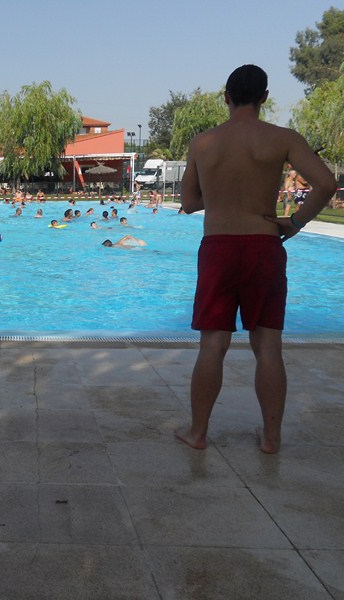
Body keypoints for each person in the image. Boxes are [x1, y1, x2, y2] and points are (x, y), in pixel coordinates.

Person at [175, 64, 336, 454]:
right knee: (268, 346)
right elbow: (327, 183)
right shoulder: (282, 138)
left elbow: (189, 202)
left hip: (218, 248)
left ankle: (198, 433)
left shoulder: (203, 142)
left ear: (226, 97)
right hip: (264, 246)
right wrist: (295, 223)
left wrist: (220, 194)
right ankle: (271, 438)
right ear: (264, 97)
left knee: (213, 345)